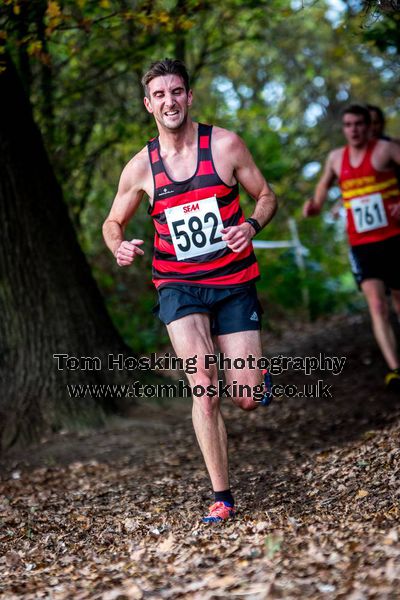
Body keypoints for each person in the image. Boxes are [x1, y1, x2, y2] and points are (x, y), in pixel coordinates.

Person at [103, 59, 277, 522]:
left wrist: (251, 224)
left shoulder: (224, 145)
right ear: (148, 104)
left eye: (176, 92)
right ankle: (222, 496)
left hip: (233, 281)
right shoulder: (141, 166)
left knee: (245, 395)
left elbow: (266, 194)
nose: (169, 101)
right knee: (204, 388)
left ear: (189, 96)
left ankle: (256, 381)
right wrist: (119, 246)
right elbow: (112, 221)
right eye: (159, 95)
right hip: (178, 286)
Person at [303, 104, 400, 392]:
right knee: (377, 305)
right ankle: (395, 369)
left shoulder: (386, 150)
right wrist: (315, 205)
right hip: (362, 244)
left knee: (398, 301)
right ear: (343, 128)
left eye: (359, 123)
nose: (354, 129)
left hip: (394, 238)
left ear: (368, 126)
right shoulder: (336, 158)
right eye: (348, 124)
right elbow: (323, 187)